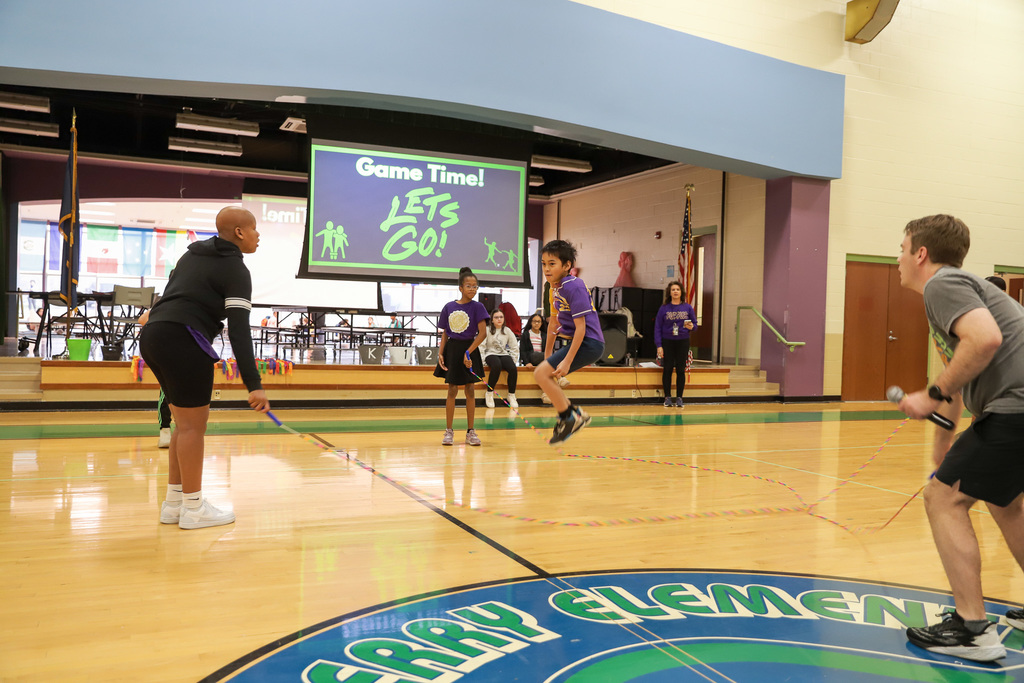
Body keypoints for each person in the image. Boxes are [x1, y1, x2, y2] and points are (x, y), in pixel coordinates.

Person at [893, 214, 1024, 662]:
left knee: (943, 500)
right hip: (1011, 408)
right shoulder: (956, 291)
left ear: (921, 254)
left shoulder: (941, 285)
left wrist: (929, 396)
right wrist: (941, 444)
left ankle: (972, 630)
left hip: (1017, 406)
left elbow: (983, 340)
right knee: (1007, 503)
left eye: (903, 247)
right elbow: (964, 367)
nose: (899, 257)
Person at [139, 206, 270, 530]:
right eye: (254, 229)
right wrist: (254, 384)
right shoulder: (236, 269)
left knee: (183, 427)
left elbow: (168, 298)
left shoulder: (189, 257)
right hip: (184, 339)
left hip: (153, 336)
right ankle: (194, 507)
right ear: (239, 232)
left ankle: (174, 503)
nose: (258, 236)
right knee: (193, 428)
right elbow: (239, 331)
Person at [534, 240, 604, 444]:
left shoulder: (574, 286)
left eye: (552, 263)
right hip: (580, 342)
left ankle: (570, 418)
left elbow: (581, 329)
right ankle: (575, 414)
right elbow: (553, 323)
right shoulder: (553, 288)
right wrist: (547, 357)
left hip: (590, 342)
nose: (546, 268)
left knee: (540, 374)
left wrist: (566, 361)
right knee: (542, 373)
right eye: (544, 263)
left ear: (567, 266)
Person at [434, 267, 488, 446]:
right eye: (468, 286)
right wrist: (441, 352)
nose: (472, 289)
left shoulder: (478, 307)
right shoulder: (449, 307)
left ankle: (471, 432)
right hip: (453, 349)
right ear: (460, 287)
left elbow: (482, 334)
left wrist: (469, 352)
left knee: (470, 389)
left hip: (469, 349)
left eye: (475, 286)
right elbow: (445, 333)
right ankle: (448, 431)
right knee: (452, 389)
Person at [654, 281, 697, 408]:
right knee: (667, 369)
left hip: (683, 341)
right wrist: (659, 345)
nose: (675, 291)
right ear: (670, 292)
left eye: (677, 289)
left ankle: (679, 398)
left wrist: (692, 326)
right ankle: (667, 397)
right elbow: (657, 327)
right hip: (667, 341)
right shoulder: (664, 308)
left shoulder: (688, 307)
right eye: (673, 289)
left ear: (681, 292)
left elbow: (694, 325)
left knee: (680, 370)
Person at [139, 306, 173, 448]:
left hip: (189, 354)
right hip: (168, 353)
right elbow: (142, 319)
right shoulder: (165, 306)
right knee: (166, 393)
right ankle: (165, 431)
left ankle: (185, 432)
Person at [481, 308, 520, 409]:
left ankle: (511, 395)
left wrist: (513, 359)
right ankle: (489, 393)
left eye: (501, 317)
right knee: (496, 365)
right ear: (492, 319)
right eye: (496, 317)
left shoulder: (507, 331)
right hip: (490, 354)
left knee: (512, 368)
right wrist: (482, 360)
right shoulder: (487, 330)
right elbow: (481, 346)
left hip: (503, 354)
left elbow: (514, 346)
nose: (499, 319)